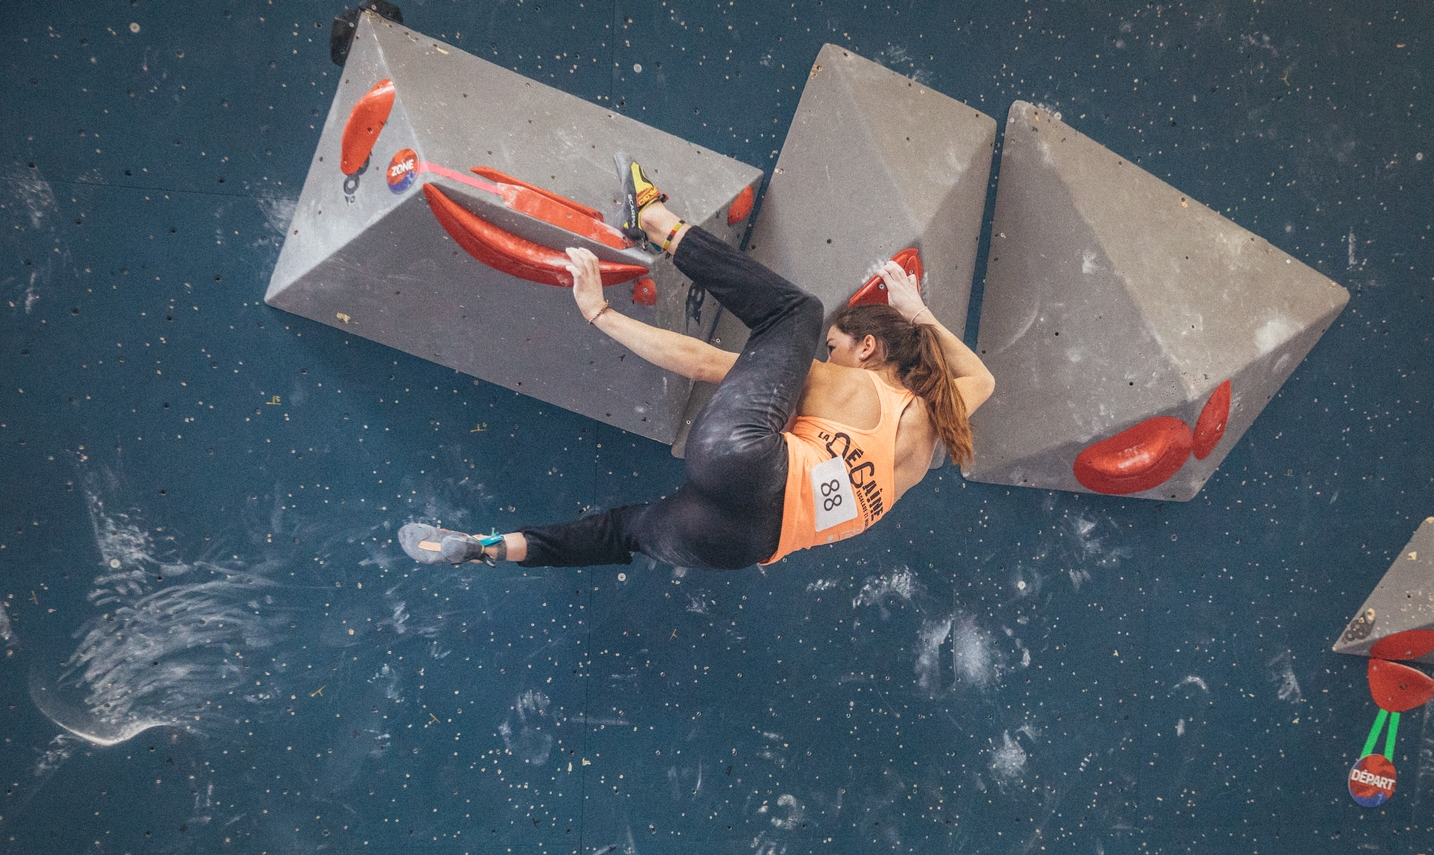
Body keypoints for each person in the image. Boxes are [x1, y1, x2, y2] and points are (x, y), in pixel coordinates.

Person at [399, 156, 994, 571]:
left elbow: (708, 362)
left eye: (836, 344)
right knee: (625, 531)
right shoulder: (933, 426)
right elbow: (981, 380)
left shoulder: (852, 387)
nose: (825, 353)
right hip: (741, 543)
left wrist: (600, 314)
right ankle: (485, 547)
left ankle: (654, 218)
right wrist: (917, 315)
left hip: (743, 460)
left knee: (796, 310)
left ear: (870, 349)